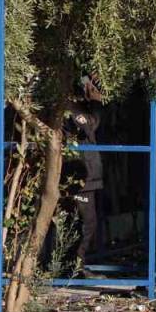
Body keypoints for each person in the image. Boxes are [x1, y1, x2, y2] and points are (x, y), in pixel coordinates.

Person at [64, 75, 106, 272]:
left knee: (85, 222)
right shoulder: (71, 108)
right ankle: (73, 267)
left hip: (86, 174)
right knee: (85, 223)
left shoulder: (78, 107)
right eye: (90, 85)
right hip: (79, 175)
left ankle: (74, 265)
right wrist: (96, 103)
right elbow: (90, 125)